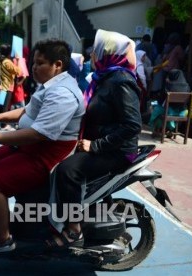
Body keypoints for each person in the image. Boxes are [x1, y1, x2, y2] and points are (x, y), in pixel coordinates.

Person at [0, 39, 85, 253]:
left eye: (40, 63)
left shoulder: (62, 94)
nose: (33, 68)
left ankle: (3, 240)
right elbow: (27, 111)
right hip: (33, 148)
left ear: (57, 65)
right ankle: (4, 216)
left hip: (46, 154)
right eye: (33, 63)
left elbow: (37, 134)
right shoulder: (50, 86)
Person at [46, 29, 142, 251]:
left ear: (108, 52)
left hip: (116, 152)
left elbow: (132, 126)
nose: (91, 56)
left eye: (95, 52)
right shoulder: (103, 78)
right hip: (99, 145)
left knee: (68, 171)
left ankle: (73, 230)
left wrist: (96, 145)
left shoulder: (121, 81)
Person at [149, 69, 190, 138]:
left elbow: (161, 100)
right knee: (161, 109)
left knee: (154, 107)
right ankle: (168, 129)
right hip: (182, 112)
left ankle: (158, 129)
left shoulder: (169, 85)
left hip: (168, 111)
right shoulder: (187, 86)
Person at [0, 43, 20, 130]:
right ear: (9, 53)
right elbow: (18, 71)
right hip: (7, 86)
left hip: (4, 86)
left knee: (2, 107)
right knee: (5, 107)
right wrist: (18, 60)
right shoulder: (7, 62)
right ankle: (4, 125)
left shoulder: (4, 61)